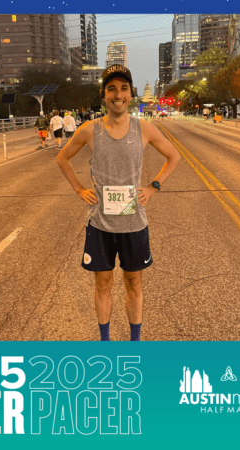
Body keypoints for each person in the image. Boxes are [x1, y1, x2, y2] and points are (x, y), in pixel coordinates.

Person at [57, 64, 181, 341]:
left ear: (131, 94)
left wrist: (154, 186)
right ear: (104, 94)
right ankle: (105, 342)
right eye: (111, 88)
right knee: (103, 283)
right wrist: (79, 189)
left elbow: (174, 156)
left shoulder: (144, 128)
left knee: (134, 282)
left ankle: (135, 341)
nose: (118, 94)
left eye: (123, 88)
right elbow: (62, 158)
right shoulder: (90, 130)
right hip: (100, 224)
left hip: (134, 224)